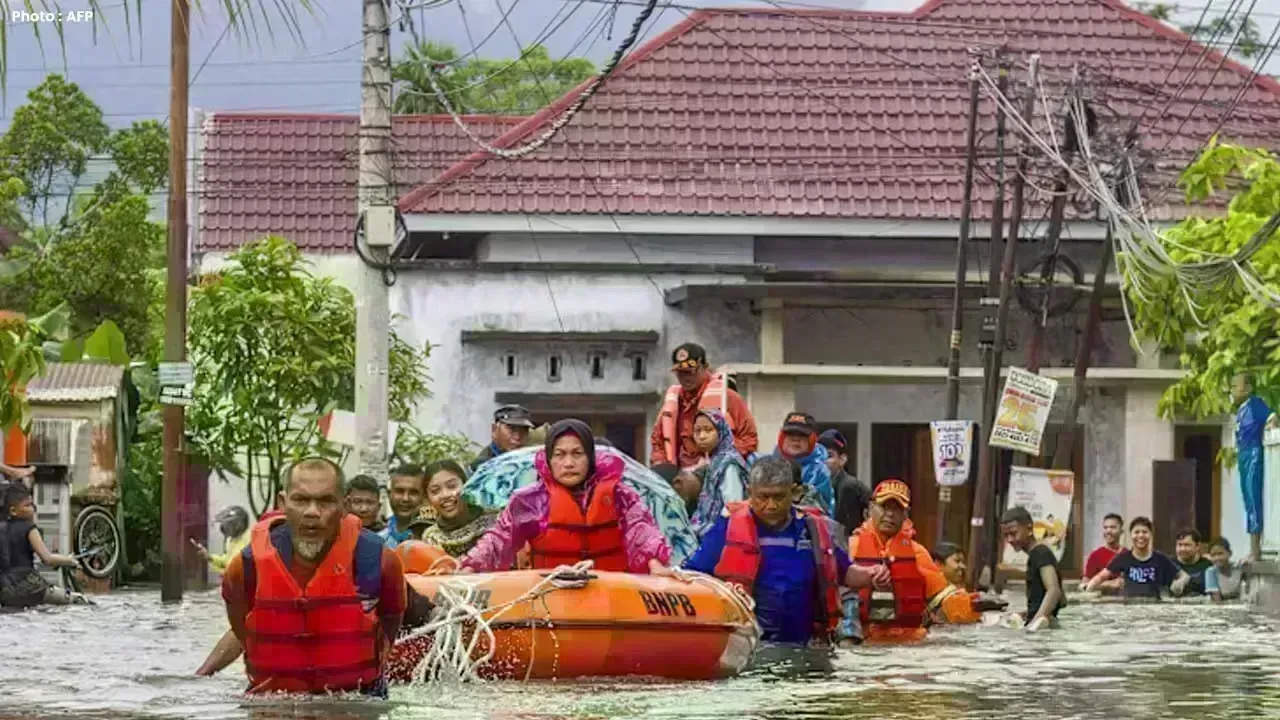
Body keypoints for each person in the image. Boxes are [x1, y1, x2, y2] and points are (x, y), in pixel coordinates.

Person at [219, 457, 406, 696]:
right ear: (283, 503)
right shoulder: (246, 567)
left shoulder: (381, 561)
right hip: (271, 702)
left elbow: (391, 619)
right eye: (300, 500)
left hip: (358, 700)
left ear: (344, 506)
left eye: (326, 501)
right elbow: (242, 629)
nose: (312, 512)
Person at [683, 456, 887, 645]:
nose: (770, 505)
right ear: (749, 492)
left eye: (779, 497)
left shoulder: (814, 530)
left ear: (795, 493)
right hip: (751, 645)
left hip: (806, 645)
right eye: (763, 497)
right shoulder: (727, 529)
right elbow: (692, 575)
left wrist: (871, 575)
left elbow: (845, 573)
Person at [460, 419, 676, 575]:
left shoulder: (621, 495)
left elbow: (642, 531)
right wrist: (470, 566)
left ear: (590, 458)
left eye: (577, 454)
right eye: (559, 455)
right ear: (549, 460)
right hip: (552, 594)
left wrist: (655, 565)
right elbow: (499, 539)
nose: (569, 463)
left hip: (613, 594)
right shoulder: (529, 501)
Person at [849, 479, 997, 642]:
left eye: (897, 509)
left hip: (909, 645)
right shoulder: (851, 548)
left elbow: (944, 602)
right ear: (870, 509)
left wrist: (975, 604)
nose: (890, 514)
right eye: (884, 506)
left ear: (906, 514)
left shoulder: (917, 552)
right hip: (862, 643)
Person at [650, 342, 757, 467]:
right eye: (680, 372)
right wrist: (661, 463)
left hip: (717, 472)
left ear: (705, 367)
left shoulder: (727, 397)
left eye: (690, 372)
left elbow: (749, 439)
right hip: (679, 476)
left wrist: (721, 458)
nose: (685, 378)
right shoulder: (673, 402)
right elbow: (658, 441)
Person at [0, 484, 80, 608]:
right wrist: (69, 560)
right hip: (29, 586)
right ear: (13, 511)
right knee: (77, 600)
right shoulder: (30, 529)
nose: (33, 509)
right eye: (28, 505)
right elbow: (47, 558)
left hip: (5, 589)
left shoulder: (2, 528)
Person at [1084, 517, 1190, 600]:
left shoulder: (1160, 558)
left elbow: (1184, 575)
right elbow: (1100, 577)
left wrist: (1180, 583)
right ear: (1131, 535)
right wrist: (1088, 590)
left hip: (1154, 607)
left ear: (1150, 535)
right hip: (1129, 607)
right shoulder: (1123, 558)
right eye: (1136, 532)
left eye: (1144, 532)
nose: (1140, 536)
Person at [1000, 506, 1064, 632]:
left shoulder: (1040, 553)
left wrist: (1035, 622)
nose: (1010, 540)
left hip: (1042, 628)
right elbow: (1061, 599)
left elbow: (1054, 590)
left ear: (1029, 529)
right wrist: (1025, 614)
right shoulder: (1036, 554)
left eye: (1013, 533)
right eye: (1005, 535)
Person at [686, 410, 748, 535]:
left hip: (722, 536)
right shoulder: (715, 461)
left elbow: (734, 506)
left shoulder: (728, 463)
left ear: (721, 431)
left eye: (708, 430)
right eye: (697, 431)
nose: (702, 436)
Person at [418, 460, 498, 557]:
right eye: (435, 491)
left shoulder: (496, 520)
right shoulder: (431, 537)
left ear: (466, 485)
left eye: (452, 486)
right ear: (428, 498)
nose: (445, 495)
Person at [1231, 372, 1272, 561]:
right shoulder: (1241, 409)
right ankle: (1252, 548)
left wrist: (1268, 430)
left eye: (1235, 386)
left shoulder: (1255, 404)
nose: (1232, 390)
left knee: (1253, 498)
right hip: (1243, 453)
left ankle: (1256, 551)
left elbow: (1272, 418)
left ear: (1247, 388)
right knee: (1247, 499)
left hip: (1254, 452)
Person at [771, 412, 834, 516]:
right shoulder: (767, 465)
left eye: (802, 435)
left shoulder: (820, 472)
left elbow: (824, 513)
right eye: (790, 434)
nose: (795, 439)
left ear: (812, 440)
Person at [821, 430, 869, 533]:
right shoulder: (816, 485)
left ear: (842, 459)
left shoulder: (849, 486)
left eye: (829, 456)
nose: (823, 461)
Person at [379, 465, 430, 549]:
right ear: (389, 495)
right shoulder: (377, 542)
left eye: (413, 492)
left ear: (425, 497)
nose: (405, 498)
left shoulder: (436, 541)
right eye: (399, 491)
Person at [472, 405, 535, 471]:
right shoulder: (484, 465)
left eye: (523, 431)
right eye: (512, 429)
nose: (517, 437)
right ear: (494, 429)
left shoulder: (527, 461)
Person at [192, 506, 251, 574]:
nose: (224, 527)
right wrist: (208, 557)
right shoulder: (231, 539)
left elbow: (237, 570)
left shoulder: (251, 540)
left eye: (229, 524)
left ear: (238, 525)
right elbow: (227, 561)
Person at [1082, 512, 1125, 590]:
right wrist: (1110, 584)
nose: (1108, 531)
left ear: (1121, 530)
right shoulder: (1096, 555)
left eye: (1113, 527)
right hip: (1101, 600)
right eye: (1105, 527)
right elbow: (1084, 585)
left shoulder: (1128, 554)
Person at [1173, 528, 1213, 596]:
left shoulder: (1208, 565)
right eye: (1179, 545)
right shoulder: (1168, 564)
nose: (1182, 549)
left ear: (1197, 546)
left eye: (1187, 545)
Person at [1204, 537, 1245, 602]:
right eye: (1213, 555)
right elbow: (1217, 601)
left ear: (1230, 553)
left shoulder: (1238, 568)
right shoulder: (1211, 572)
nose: (1217, 558)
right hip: (1220, 608)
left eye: (1220, 554)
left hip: (1239, 606)